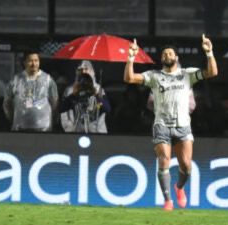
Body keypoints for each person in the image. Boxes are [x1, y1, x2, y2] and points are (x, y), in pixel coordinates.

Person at [123, 34, 218, 211]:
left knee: (186, 165)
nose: (168, 55)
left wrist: (210, 53)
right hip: (162, 125)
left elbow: (212, 72)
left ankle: (179, 188)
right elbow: (129, 78)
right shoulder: (154, 76)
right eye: (165, 54)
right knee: (164, 160)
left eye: (170, 53)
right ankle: (168, 200)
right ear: (161, 58)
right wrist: (130, 57)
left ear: (177, 57)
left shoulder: (187, 75)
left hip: (183, 126)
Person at [3, 50, 58, 131]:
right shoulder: (16, 80)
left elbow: (54, 102)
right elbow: (7, 102)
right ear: (24, 62)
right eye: (30, 61)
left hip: (43, 128)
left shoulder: (48, 79)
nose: (34, 64)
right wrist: (13, 118)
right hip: (20, 127)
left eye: (36, 60)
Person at [60, 60, 110, 133]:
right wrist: (69, 129)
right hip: (76, 131)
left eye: (86, 69)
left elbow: (107, 109)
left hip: (97, 131)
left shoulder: (98, 89)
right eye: (80, 69)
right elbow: (63, 111)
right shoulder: (70, 90)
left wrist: (96, 95)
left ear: (92, 71)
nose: (83, 72)